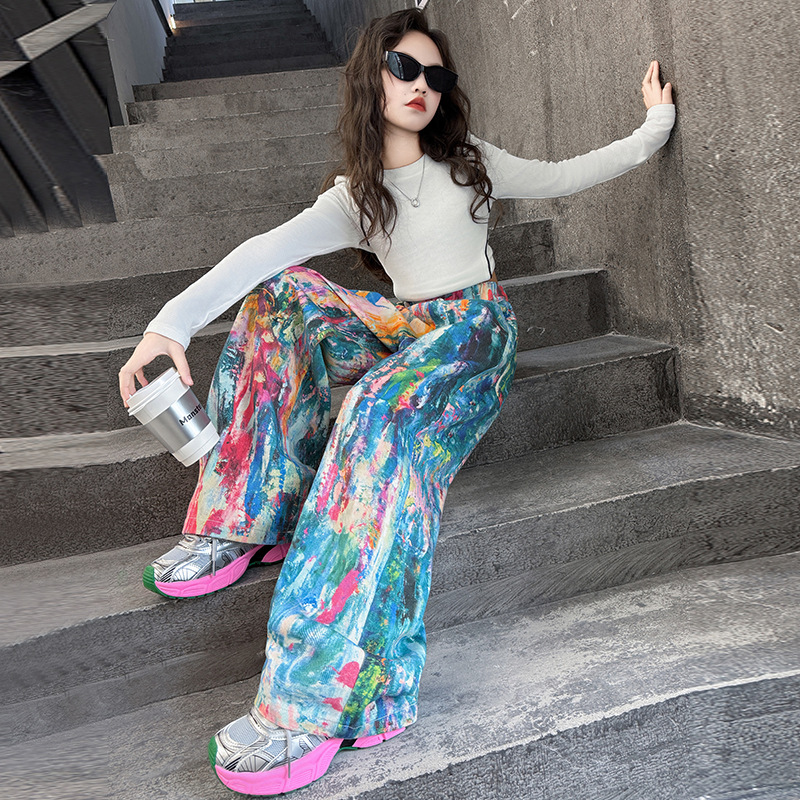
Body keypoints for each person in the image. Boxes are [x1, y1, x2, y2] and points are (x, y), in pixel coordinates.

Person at [118, 7, 675, 796]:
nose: (422, 86)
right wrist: (167, 326)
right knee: (283, 296)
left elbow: (568, 173)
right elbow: (261, 253)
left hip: (475, 333)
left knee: (375, 413)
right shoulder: (357, 195)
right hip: (408, 326)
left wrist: (655, 125)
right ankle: (245, 514)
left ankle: (322, 699)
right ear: (369, 77)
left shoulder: (471, 164)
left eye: (436, 76)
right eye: (405, 69)